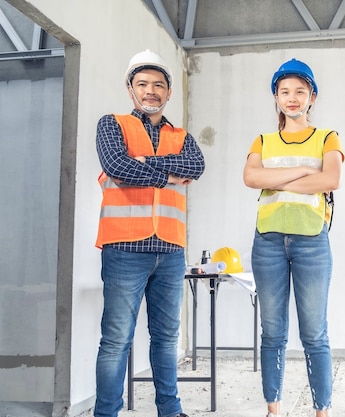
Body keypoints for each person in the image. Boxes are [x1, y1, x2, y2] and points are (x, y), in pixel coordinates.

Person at [94, 49, 205, 417]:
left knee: (166, 338)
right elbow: (116, 166)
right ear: (130, 89)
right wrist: (168, 174)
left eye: (159, 84)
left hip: (170, 251)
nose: (151, 90)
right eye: (142, 84)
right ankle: (106, 412)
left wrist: (144, 163)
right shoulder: (111, 125)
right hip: (124, 247)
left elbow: (196, 166)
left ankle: (169, 411)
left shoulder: (183, 135)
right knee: (116, 341)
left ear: (169, 92)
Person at [243, 58, 344, 417]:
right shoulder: (264, 139)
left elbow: (330, 180)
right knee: (272, 333)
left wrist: (276, 176)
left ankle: (322, 412)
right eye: (284, 91)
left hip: (311, 241)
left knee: (314, 333)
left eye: (300, 91)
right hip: (268, 241)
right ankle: (274, 409)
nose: (292, 98)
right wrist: (304, 170)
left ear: (312, 96)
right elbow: (251, 178)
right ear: (275, 96)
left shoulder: (326, 137)